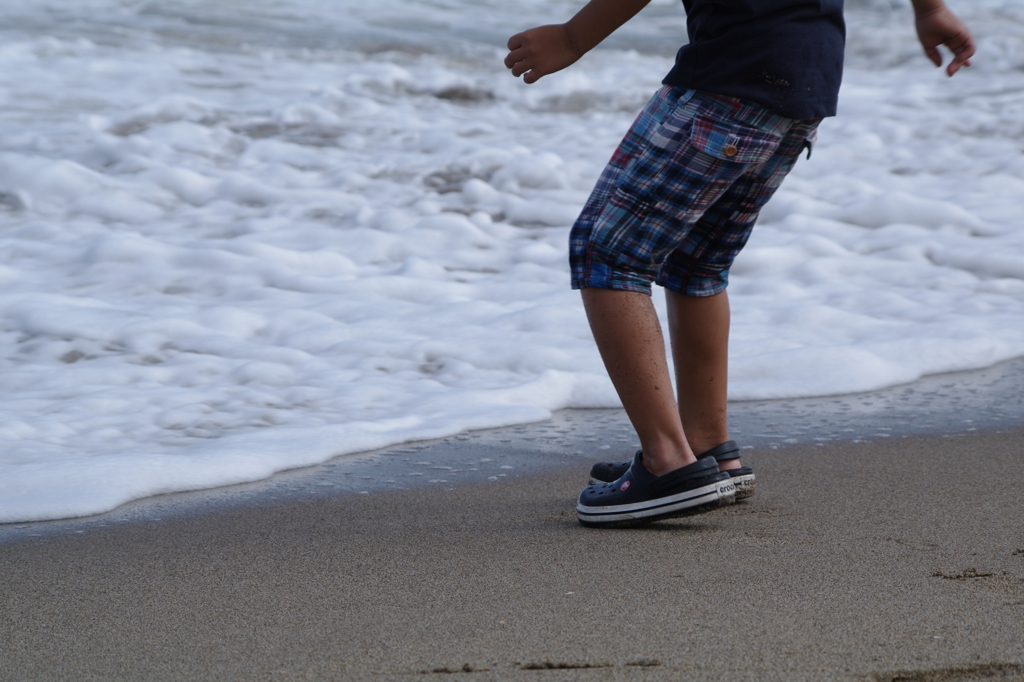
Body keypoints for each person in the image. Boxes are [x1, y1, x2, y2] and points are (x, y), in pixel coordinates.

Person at [504, 0, 975, 526]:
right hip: (803, 84)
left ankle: (666, 461)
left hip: (730, 77)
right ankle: (706, 447)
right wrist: (930, 8)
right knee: (697, 262)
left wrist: (571, 38)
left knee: (607, 252)